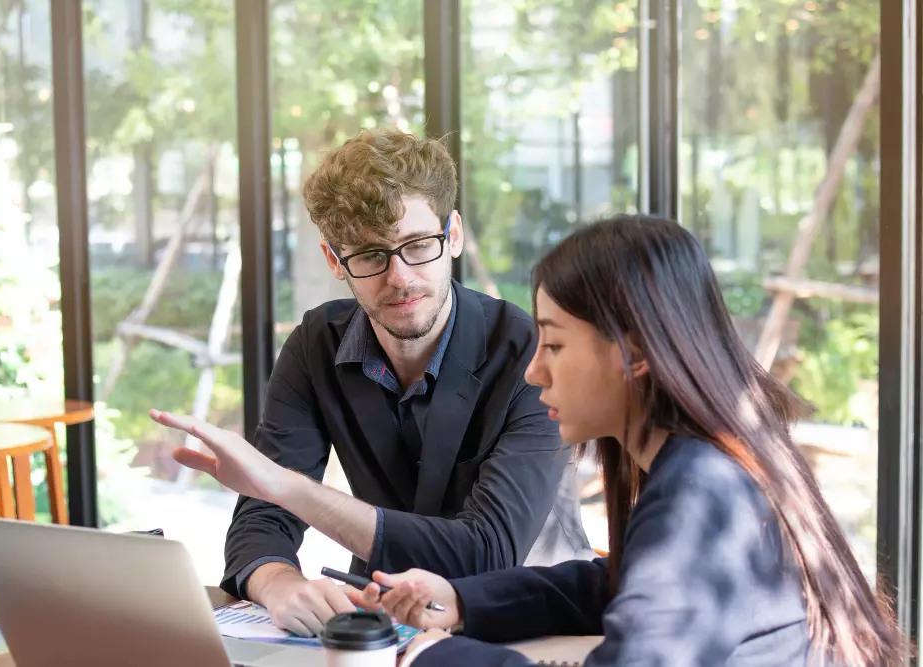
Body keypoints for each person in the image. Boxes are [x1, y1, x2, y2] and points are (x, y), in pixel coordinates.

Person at [347, 214, 907, 667]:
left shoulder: (701, 493)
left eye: (556, 345)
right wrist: (461, 601)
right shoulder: (704, 468)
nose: (533, 371)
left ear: (636, 352)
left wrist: (432, 657)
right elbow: (617, 584)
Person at [150, 128, 592, 638]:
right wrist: (277, 582)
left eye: (418, 245)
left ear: (454, 235)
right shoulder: (316, 345)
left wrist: (286, 487)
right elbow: (262, 518)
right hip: (385, 620)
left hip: (529, 621)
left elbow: (486, 551)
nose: (399, 277)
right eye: (369, 255)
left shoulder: (527, 352)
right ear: (335, 261)